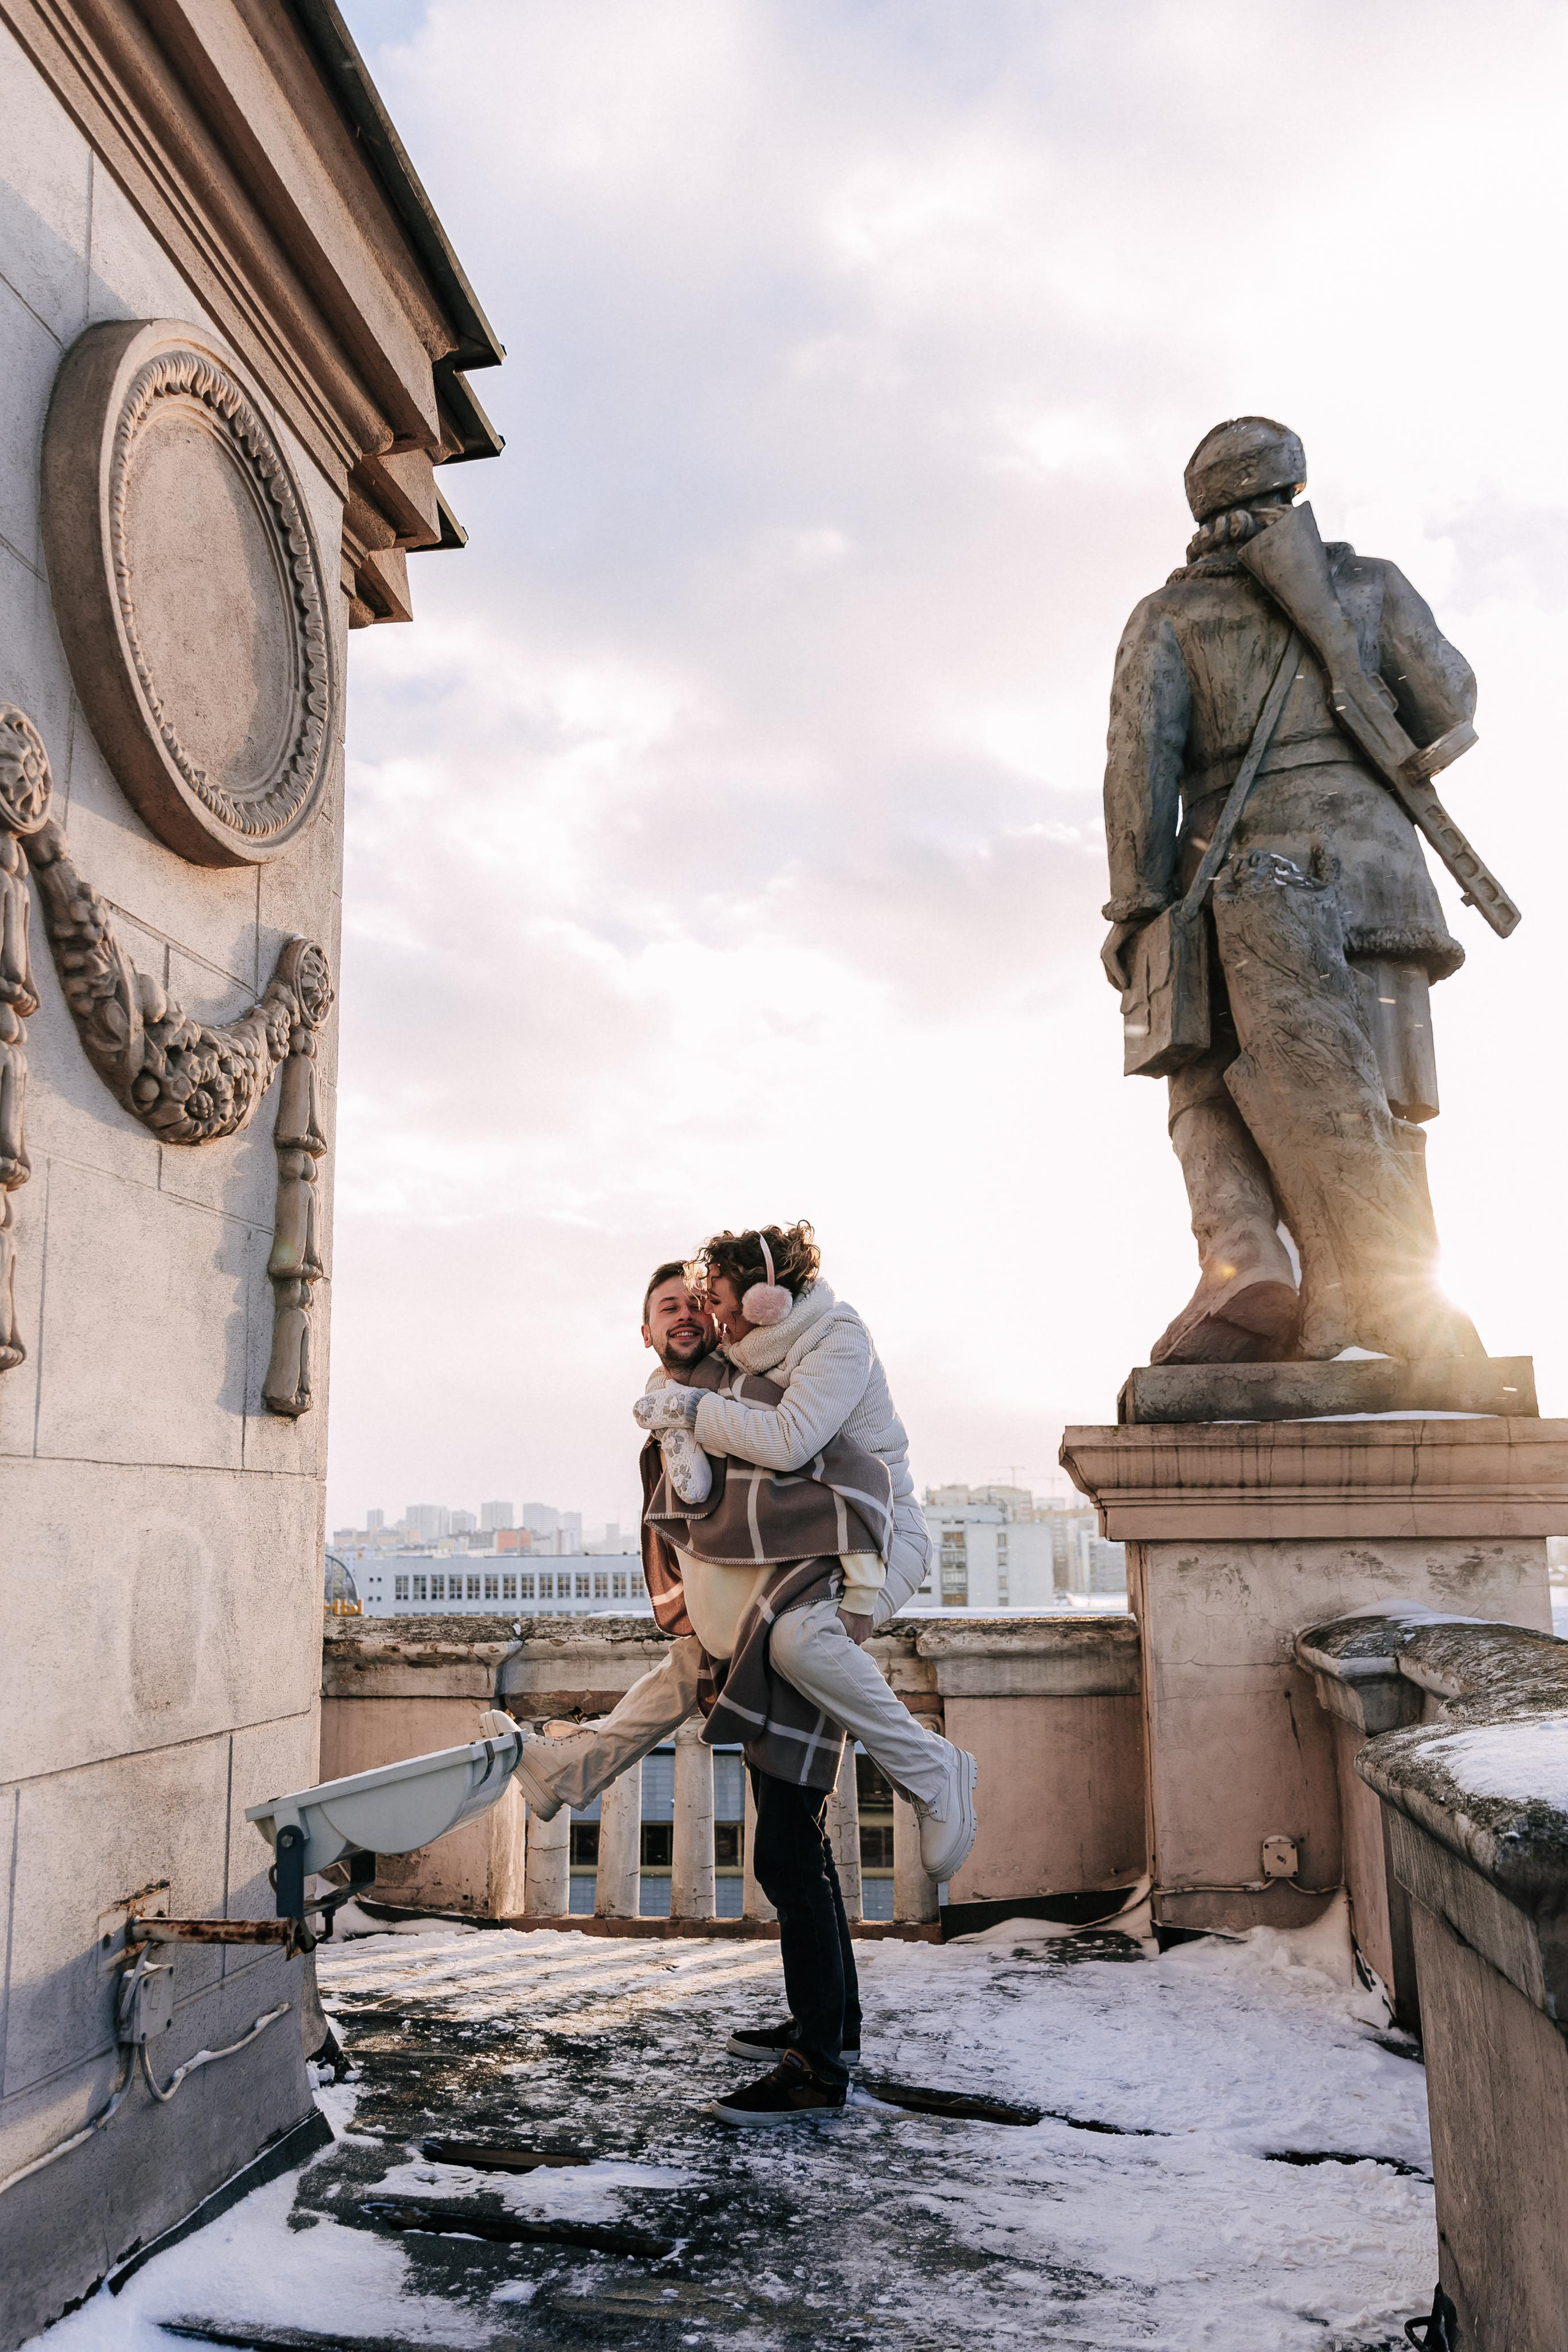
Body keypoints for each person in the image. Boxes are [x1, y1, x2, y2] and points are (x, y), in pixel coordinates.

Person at [494, 1257, 976, 2126]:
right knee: (792, 1843)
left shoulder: (737, 1386)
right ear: (645, 1330)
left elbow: (761, 1491)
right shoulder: (685, 1397)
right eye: (666, 1307)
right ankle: (831, 2028)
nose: (683, 1315)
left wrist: (689, 1424)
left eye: (694, 1305)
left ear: (722, 1320)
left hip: (785, 1616)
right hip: (749, 1626)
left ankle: (818, 2064)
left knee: (789, 1848)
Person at [1101, 415, 1486, 1366]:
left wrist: (1135, 908)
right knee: (1388, 1099)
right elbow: (1451, 701)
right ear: (1296, 489)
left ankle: (1245, 1263)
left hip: (1232, 886)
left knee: (1198, 1068)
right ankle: (1403, 1299)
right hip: (1382, 883)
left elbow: (1138, 771)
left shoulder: (1169, 615)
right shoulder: (1370, 584)